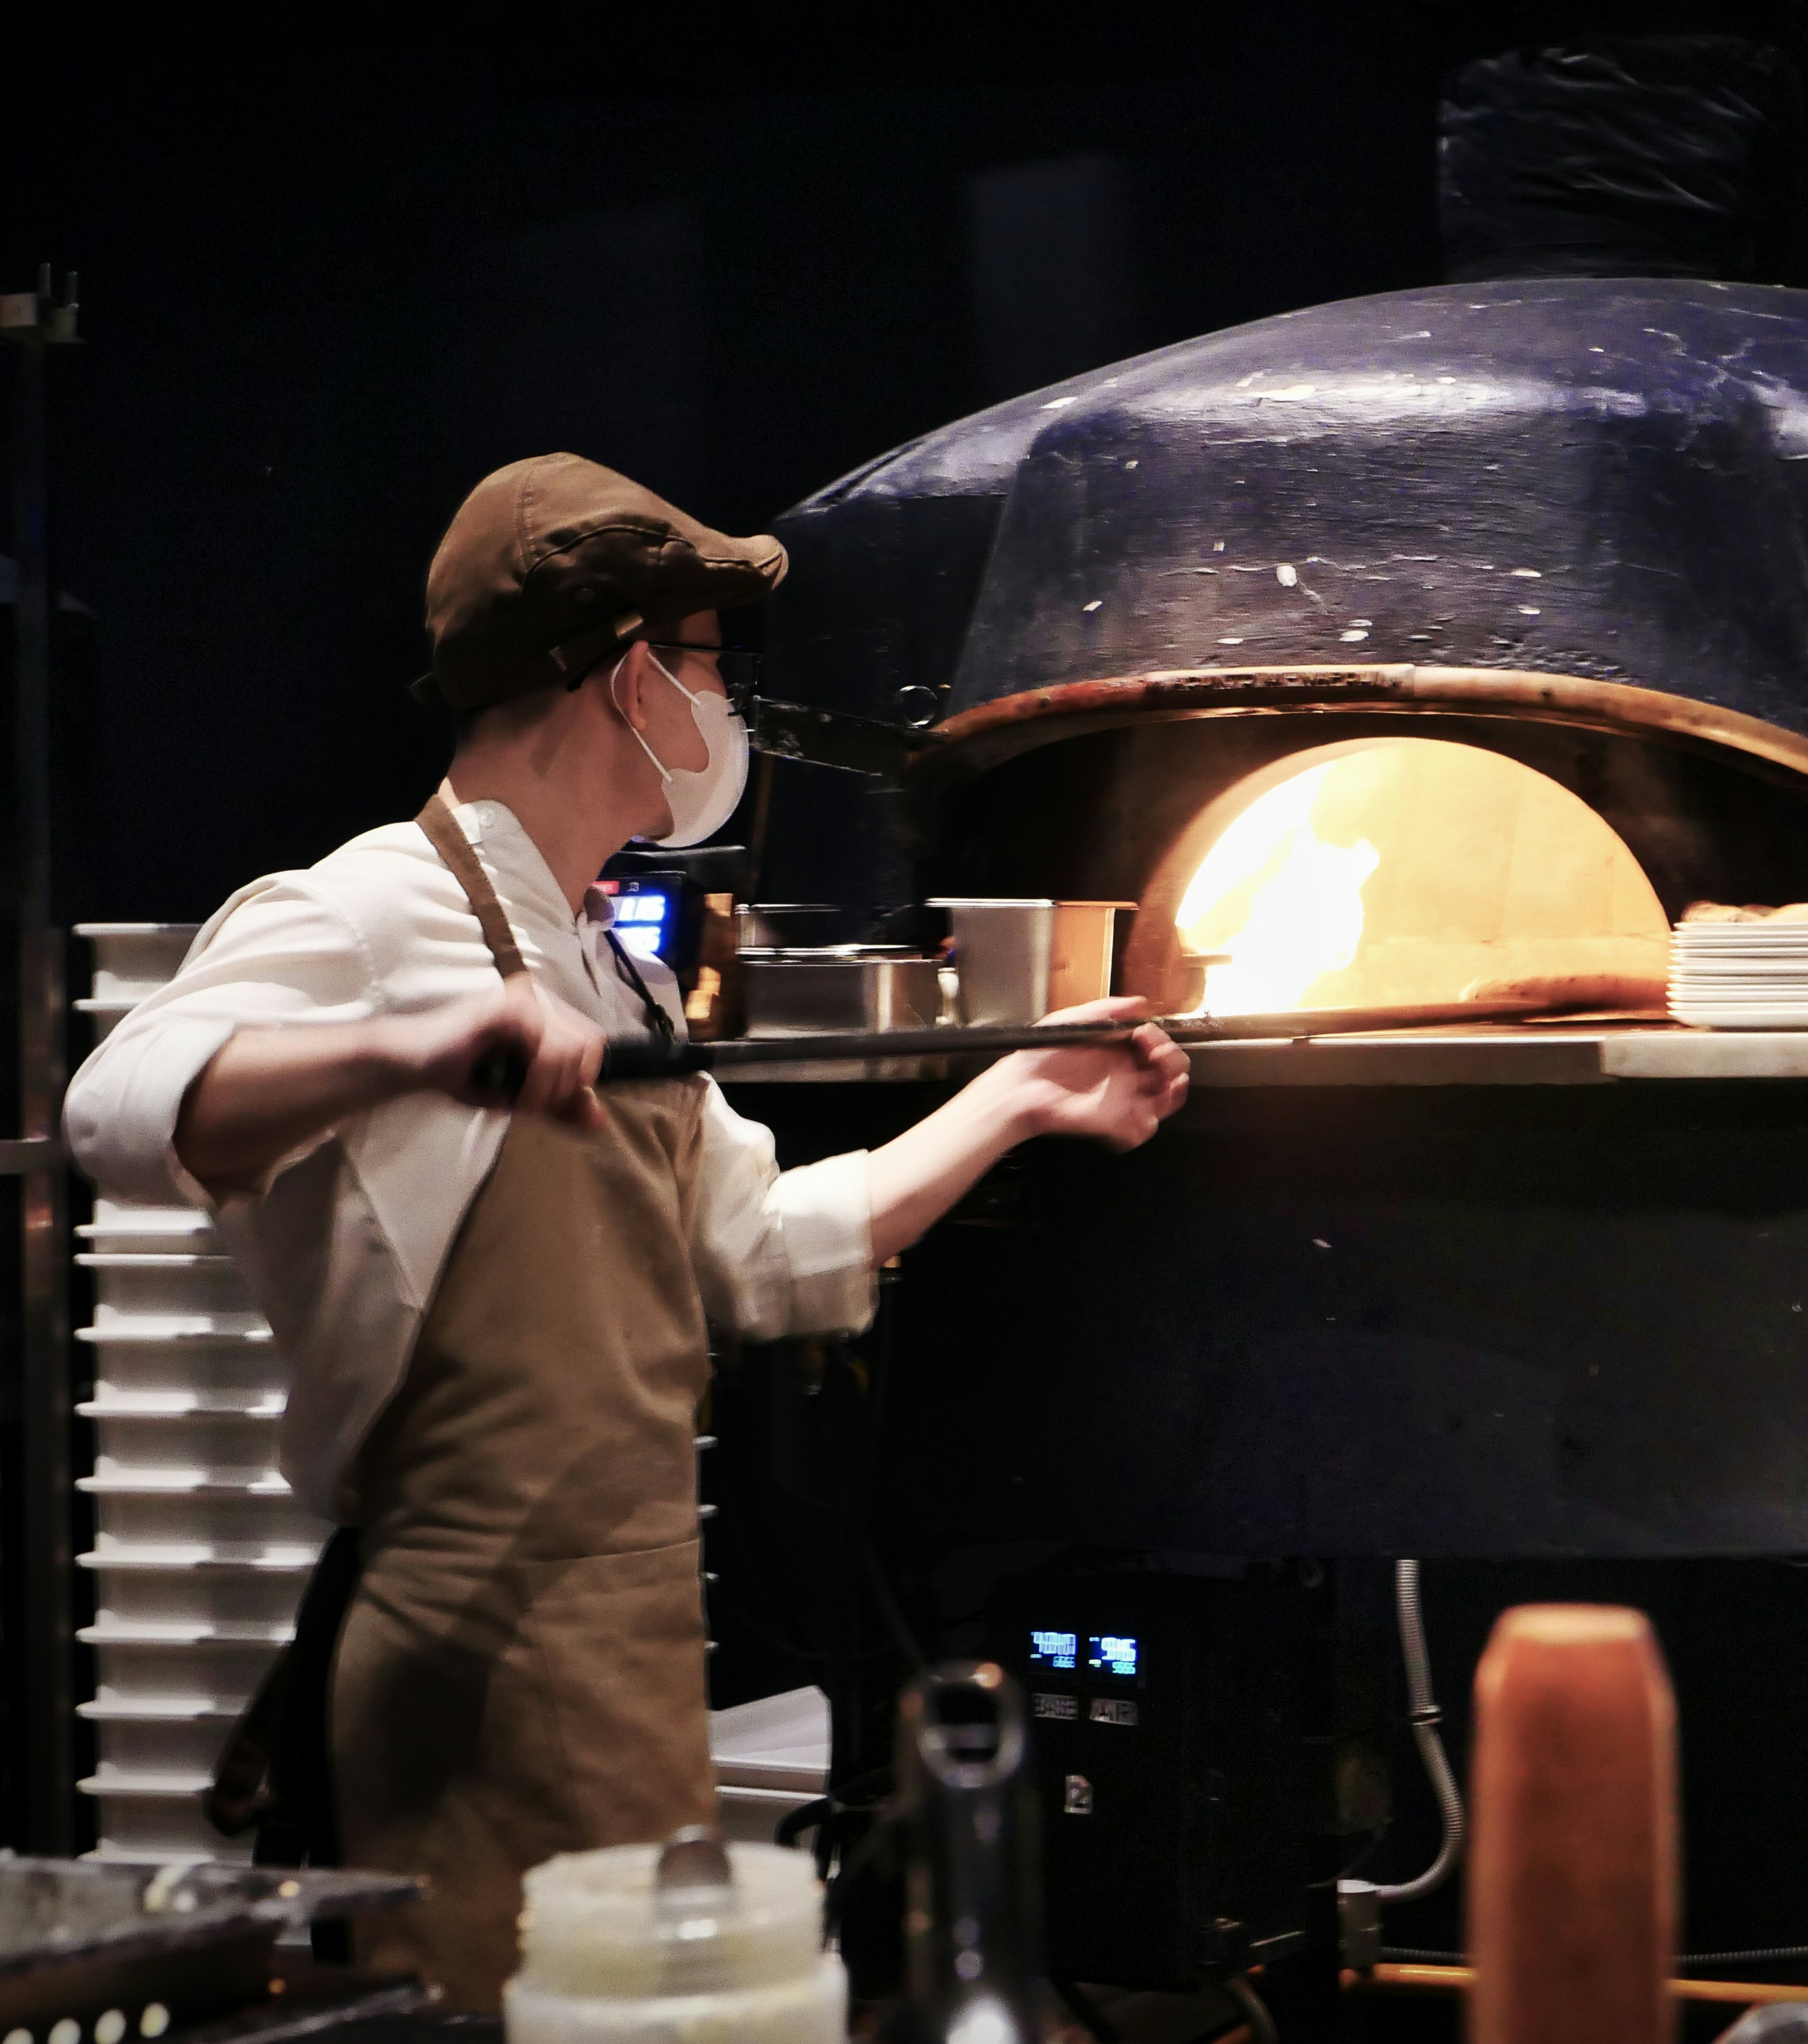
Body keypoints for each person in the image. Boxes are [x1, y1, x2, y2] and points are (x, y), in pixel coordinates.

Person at [63, 453, 1190, 2006]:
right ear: (630, 675)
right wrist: (409, 1049)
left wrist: (1018, 1096)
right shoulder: (366, 909)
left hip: (633, 1641)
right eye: (714, 665)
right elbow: (118, 1110)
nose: (727, 708)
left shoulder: (614, 965)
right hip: (468, 1658)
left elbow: (760, 1248)